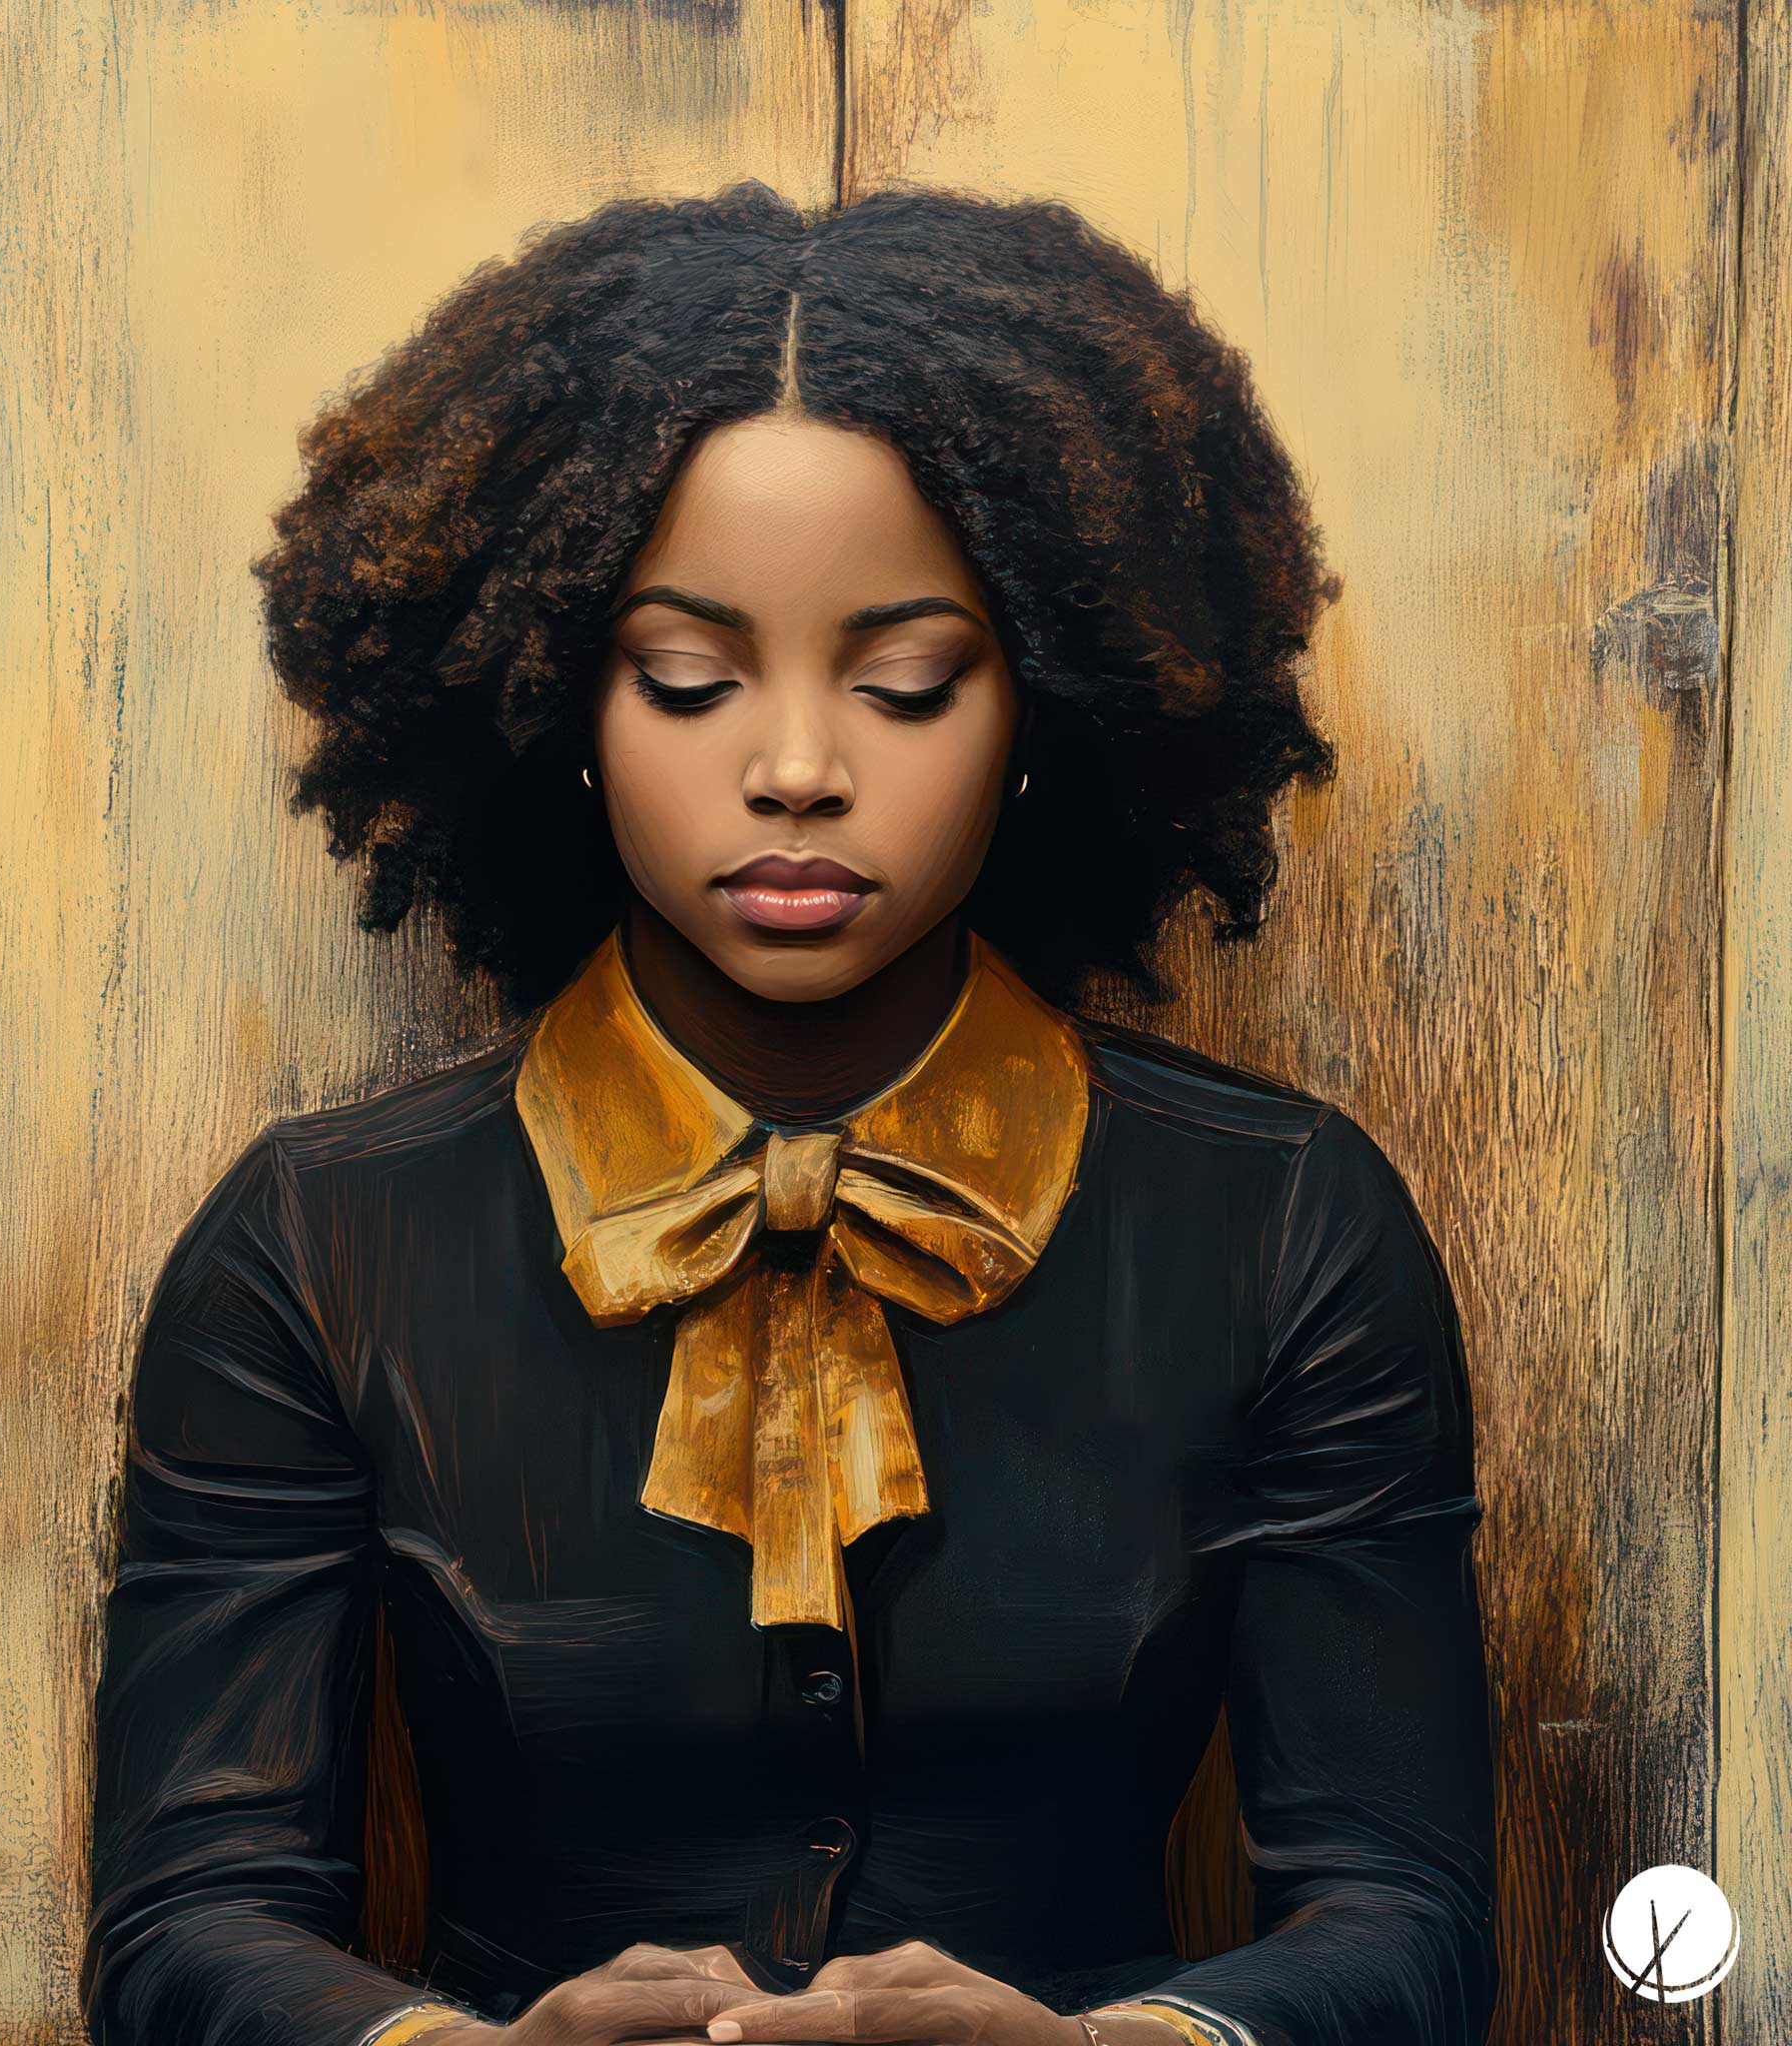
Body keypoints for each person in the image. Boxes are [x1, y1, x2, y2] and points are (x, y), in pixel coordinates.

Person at [79, 181, 1499, 2046]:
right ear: (563, 695)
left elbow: (1411, 1917)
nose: (800, 769)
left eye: (908, 682)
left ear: (1043, 702)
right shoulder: (317, 1241)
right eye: (689, 677)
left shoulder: (1286, 1217)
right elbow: (187, 1921)